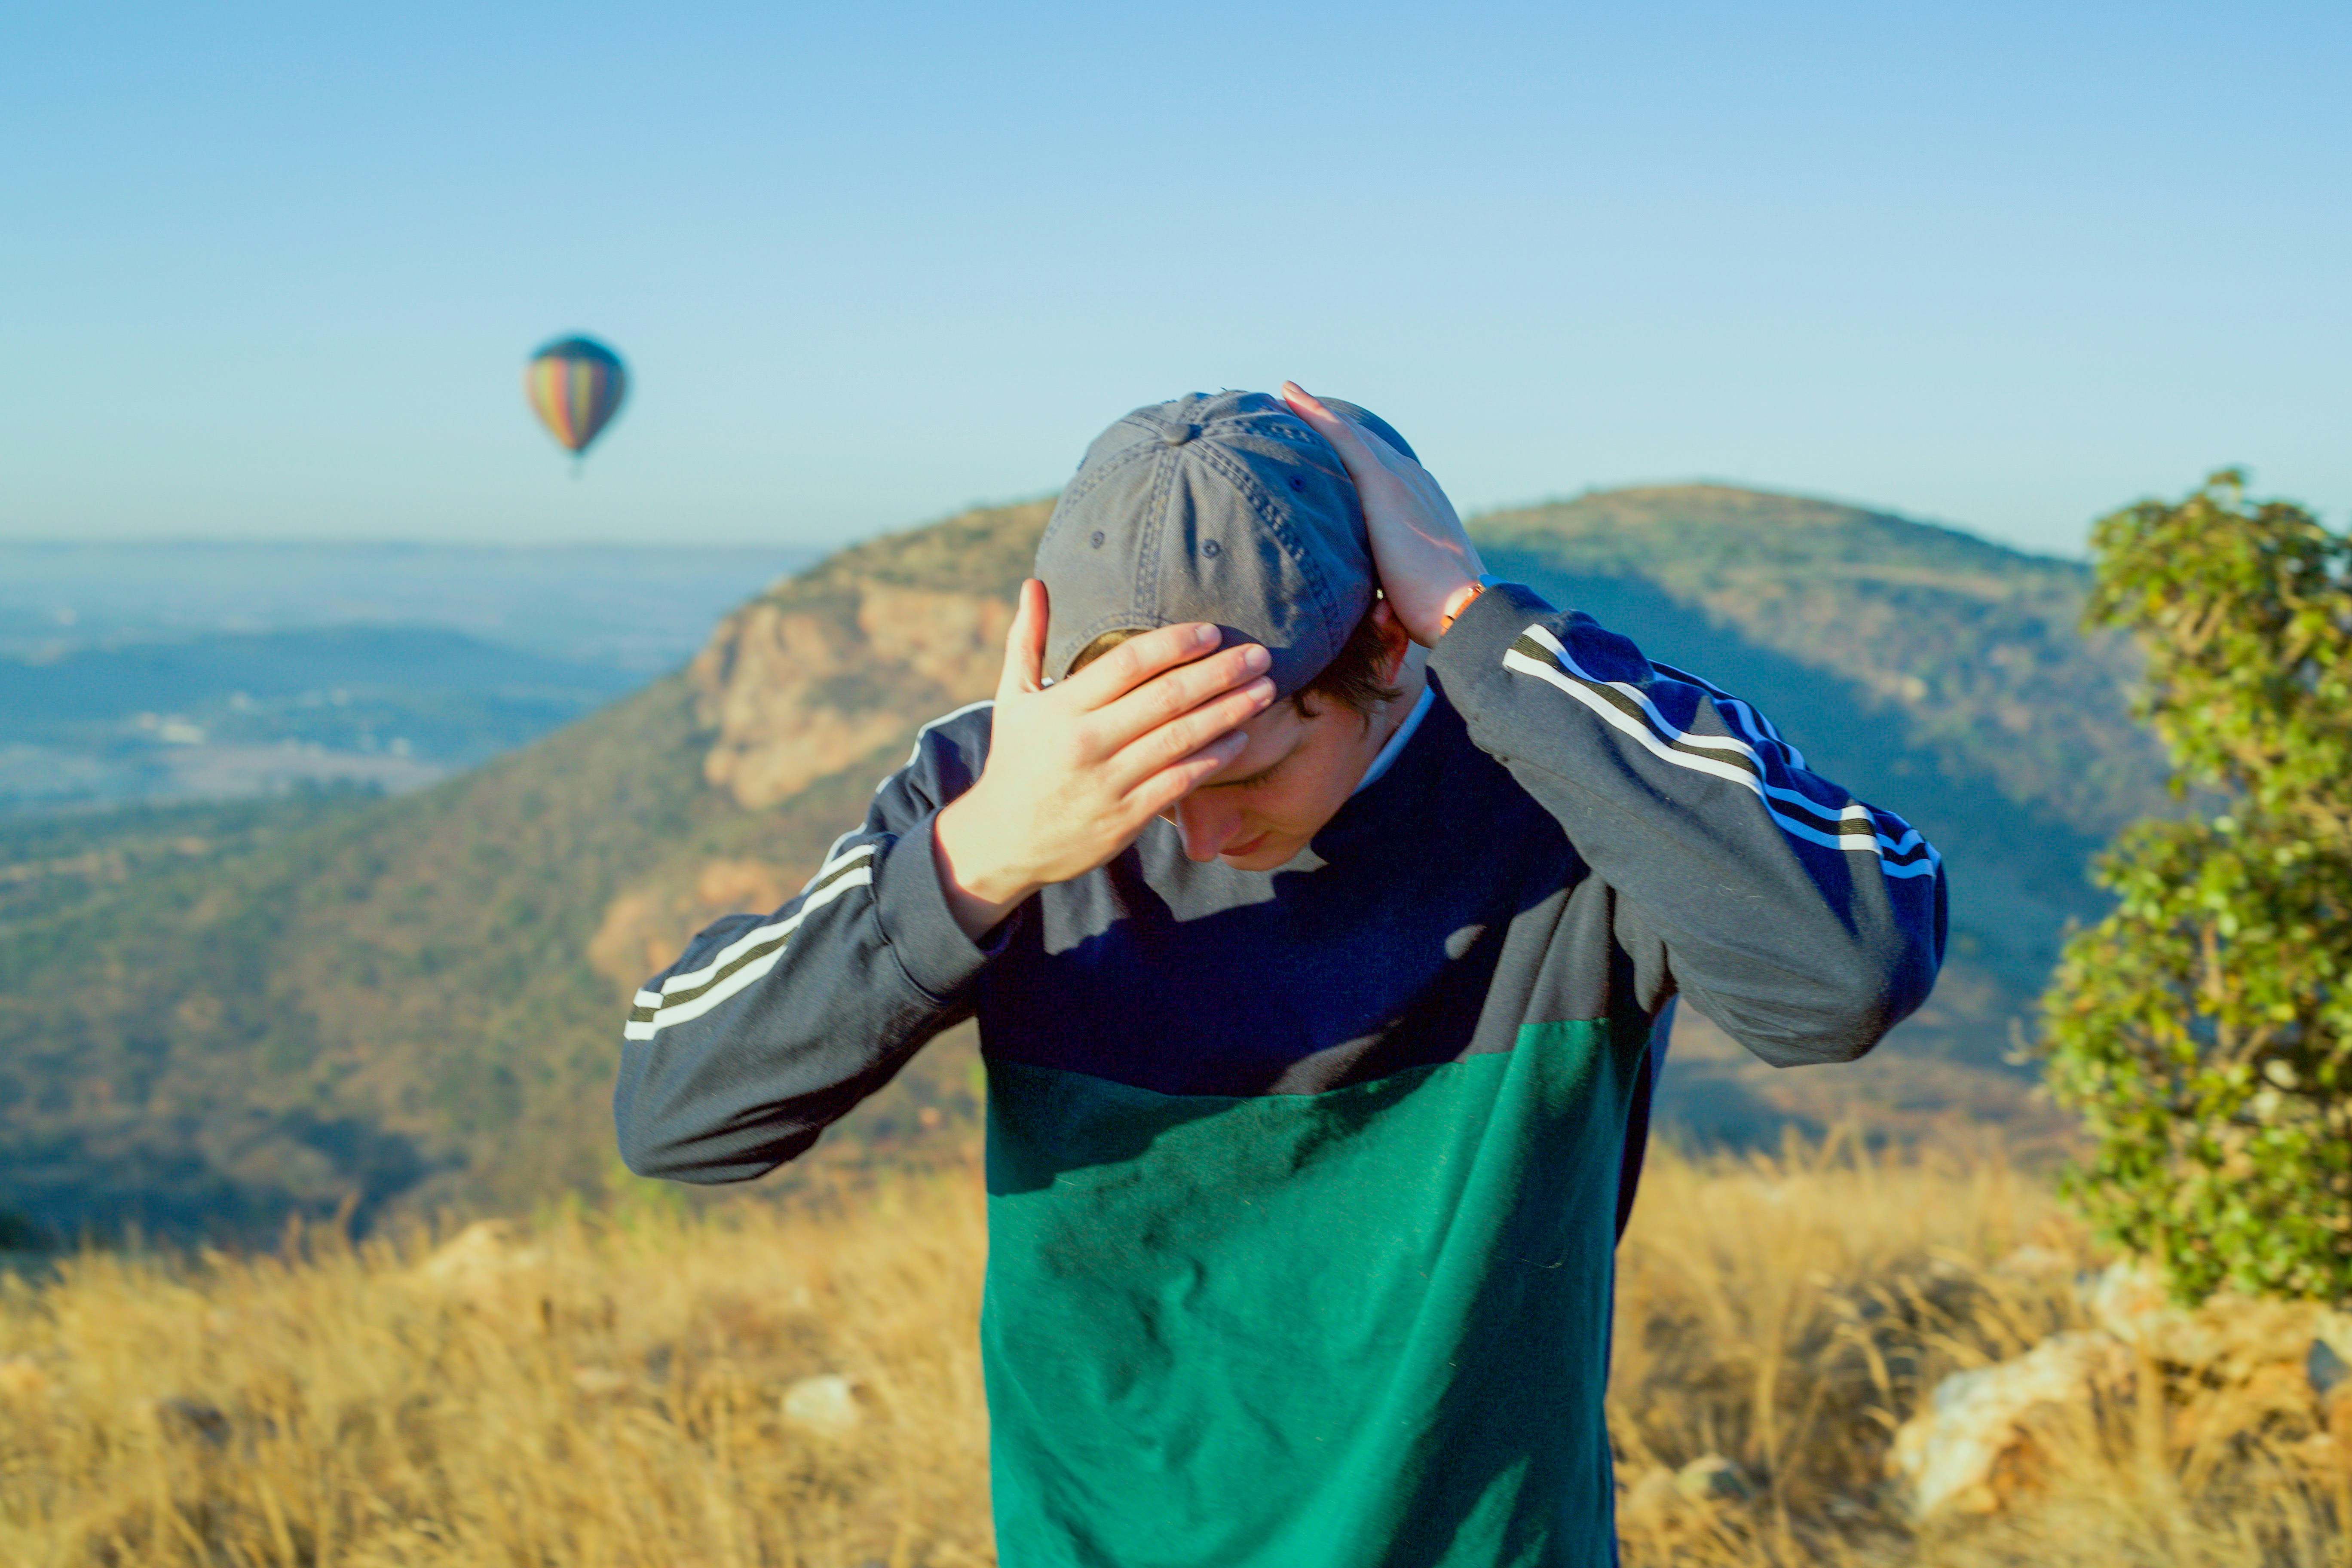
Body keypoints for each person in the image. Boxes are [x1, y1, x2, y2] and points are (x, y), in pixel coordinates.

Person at [615, 386, 1946, 1568]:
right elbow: (678, 1115)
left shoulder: (1562, 790)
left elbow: (1849, 975)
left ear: (1381, 644)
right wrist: (981, 859)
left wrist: (1483, 629)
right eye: (1146, 777)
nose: (1187, 835)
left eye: (1242, 772)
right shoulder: (1009, 795)